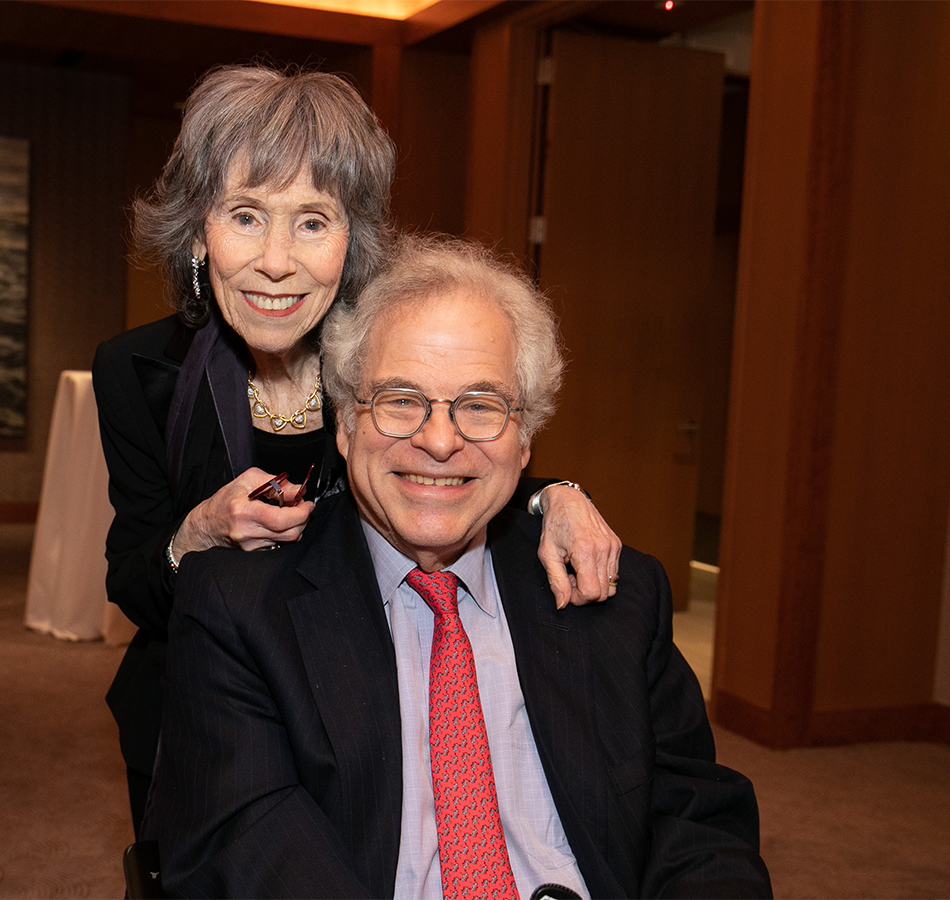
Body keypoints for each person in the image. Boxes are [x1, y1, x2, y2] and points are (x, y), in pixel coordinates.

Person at [146, 235, 772, 899]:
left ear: (525, 436)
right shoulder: (240, 608)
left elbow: (699, 828)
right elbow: (251, 847)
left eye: (480, 405)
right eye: (399, 398)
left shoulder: (616, 595)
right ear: (345, 425)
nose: (439, 440)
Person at [93, 65, 622, 837]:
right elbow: (131, 581)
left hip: (360, 713)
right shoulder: (139, 374)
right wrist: (194, 534)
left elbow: (457, 454)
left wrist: (554, 494)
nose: (277, 261)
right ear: (199, 229)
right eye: (246, 216)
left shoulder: (378, 365)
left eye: (312, 221)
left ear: (353, 240)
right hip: (198, 718)